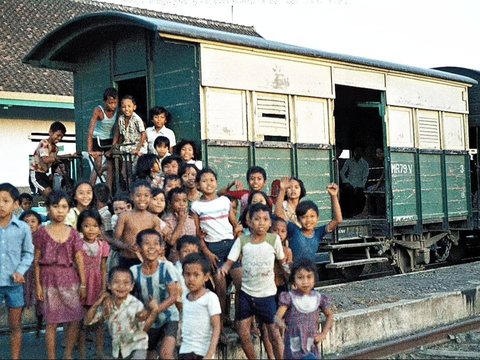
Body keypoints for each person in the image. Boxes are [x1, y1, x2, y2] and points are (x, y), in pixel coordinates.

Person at [219, 203, 285, 359]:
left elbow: (283, 264)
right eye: (256, 219)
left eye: (265, 219)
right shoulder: (242, 240)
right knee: (243, 332)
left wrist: (292, 277)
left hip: (267, 295)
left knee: (274, 333)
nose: (261, 222)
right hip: (246, 294)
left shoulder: (274, 240)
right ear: (248, 221)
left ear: (270, 223)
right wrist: (225, 268)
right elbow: (230, 260)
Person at [33, 190, 86, 360]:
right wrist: (38, 285)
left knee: (75, 317)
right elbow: (36, 260)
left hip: (69, 278)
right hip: (48, 279)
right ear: (48, 209)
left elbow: (79, 260)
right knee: (52, 321)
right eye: (55, 206)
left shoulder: (73, 233)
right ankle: (51, 357)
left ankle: (68, 354)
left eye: (64, 207)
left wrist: (83, 284)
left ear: (69, 209)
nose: (60, 211)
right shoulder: (41, 232)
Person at [191, 167, 242, 326]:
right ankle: (220, 322)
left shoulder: (225, 201)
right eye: (204, 181)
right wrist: (206, 252)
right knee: (220, 289)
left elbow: (235, 225)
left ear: (216, 182)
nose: (208, 184)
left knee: (241, 286)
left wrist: (238, 246)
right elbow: (197, 233)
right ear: (198, 186)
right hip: (213, 249)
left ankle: (239, 321)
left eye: (211, 180)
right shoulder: (196, 206)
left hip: (231, 247)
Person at [84, 267, 160, 359]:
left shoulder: (135, 304)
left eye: (126, 283)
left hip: (137, 345)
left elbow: (143, 328)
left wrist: (153, 312)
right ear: (109, 285)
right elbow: (87, 322)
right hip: (119, 349)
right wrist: (97, 303)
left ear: (132, 286)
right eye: (116, 282)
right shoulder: (108, 304)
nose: (121, 286)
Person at [130, 229, 179, 360]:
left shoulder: (166, 267)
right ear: (138, 248)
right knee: (149, 354)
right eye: (146, 243)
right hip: (147, 321)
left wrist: (156, 309)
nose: (151, 247)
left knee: (166, 354)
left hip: (169, 317)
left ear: (162, 248)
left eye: (156, 243)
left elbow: (173, 296)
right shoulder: (134, 272)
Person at [0, 183, 34, 360]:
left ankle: (15, 357)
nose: (1, 204)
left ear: (15, 204)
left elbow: (28, 253)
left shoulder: (23, 228)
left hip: (14, 285)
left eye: (5, 201)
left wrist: (21, 271)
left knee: (15, 325)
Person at [275, 258, 334, 359]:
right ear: (294, 280)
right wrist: (281, 323)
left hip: (311, 345)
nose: (305, 281)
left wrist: (323, 334)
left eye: (309, 277)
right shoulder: (289, 298)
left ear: (314, 279)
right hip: (294, 348)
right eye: (300, 278)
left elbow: (330, 315)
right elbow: (278, 316)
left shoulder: (318, 298)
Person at [275, 177, 343, 263]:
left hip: (310, 271)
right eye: (304, 217)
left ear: (318, 218)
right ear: (298, 219)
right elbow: (278, 214)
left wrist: (333, 196)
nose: (308, 220)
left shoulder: (318, 233)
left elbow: (338, 220)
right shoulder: (294, 230)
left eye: (312, 216)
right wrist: (282, 190)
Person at [76, 209, 110, 359]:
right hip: (81, 284)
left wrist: (104, 288)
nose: (91, 229)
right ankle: (82, 353)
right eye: (87, 226)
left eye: (95, 226)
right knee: (82, 321)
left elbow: (103, 268)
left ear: (100, 228)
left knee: (99, 321)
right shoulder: (77, 245)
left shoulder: (102, 245)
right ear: (80, 227)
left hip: (97, 284)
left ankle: (99, 350)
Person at [179, 253, 221, 359]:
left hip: (203, 351)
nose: (191, 279)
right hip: (185, 350)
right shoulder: (184, 298)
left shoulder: (210, 298)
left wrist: (210, 353)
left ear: (206, 277)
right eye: (187, 274)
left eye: (196, 275)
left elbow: (216, 327)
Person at [112, 180, 162, 269]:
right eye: (138, 195)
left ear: (150, 197)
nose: (142, 199)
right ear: (132, 197)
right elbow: (115, 240)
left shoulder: (154, 219)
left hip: (146, 260)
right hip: (127, 259)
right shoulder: (124, 216)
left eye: (146, 196)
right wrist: (126, 246)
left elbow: (159, 241)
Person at [87, 87, 118, 188]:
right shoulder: (98, 110)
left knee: (110, 167)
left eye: (115, 102)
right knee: (97, 165)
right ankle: (90, 189)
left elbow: (117, 131)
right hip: (98, 139)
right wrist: (90, 150)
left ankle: (108, 193)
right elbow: (90, 131)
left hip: (109, 140)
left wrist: (113, 147)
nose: (113, 105)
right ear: (105, 102)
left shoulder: (118, 111)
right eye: (110, 103)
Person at [18, 210, 43, 337]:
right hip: (23, 274)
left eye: (33, 221)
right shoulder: (18, 238)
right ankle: (17, 328)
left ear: (39, 224)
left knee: (40, 304)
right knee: (20, 301)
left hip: (39, 275)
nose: (30, 224)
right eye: (26, 222)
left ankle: (39, 327)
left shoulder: (42, 238)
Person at [29, 121, 68, 197]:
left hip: (44, 174)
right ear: (50, 132)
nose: (59, 138)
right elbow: (46, 159)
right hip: (35, 174)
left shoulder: (56, 148)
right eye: (58, 135)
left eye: (61, 137)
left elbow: (53, 162)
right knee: (49, 194)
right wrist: (63, 157)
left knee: (54, 195)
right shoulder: (44, 142)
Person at [163, 187, 196, 261]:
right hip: (176, 259)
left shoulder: (191, 218)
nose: (181, 204)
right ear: (170, 203)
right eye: (177, 201)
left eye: (184, 201)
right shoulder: (167, 221)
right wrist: (181, 222)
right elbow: (171, 242)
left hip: (193, 258)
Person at [340, 146, 369, 217]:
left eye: (359, 151)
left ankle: (357, 213)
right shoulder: (348, 161)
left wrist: (361, 186)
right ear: (354, 152)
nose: (357, 153)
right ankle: (347, 214)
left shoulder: (365, 163)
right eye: (356, 151)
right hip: (349, 183)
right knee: (346, 193)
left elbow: (365, 177)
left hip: (359, 185)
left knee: (359, 194)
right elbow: (342, 172)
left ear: (362, 153)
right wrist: (346, 182)